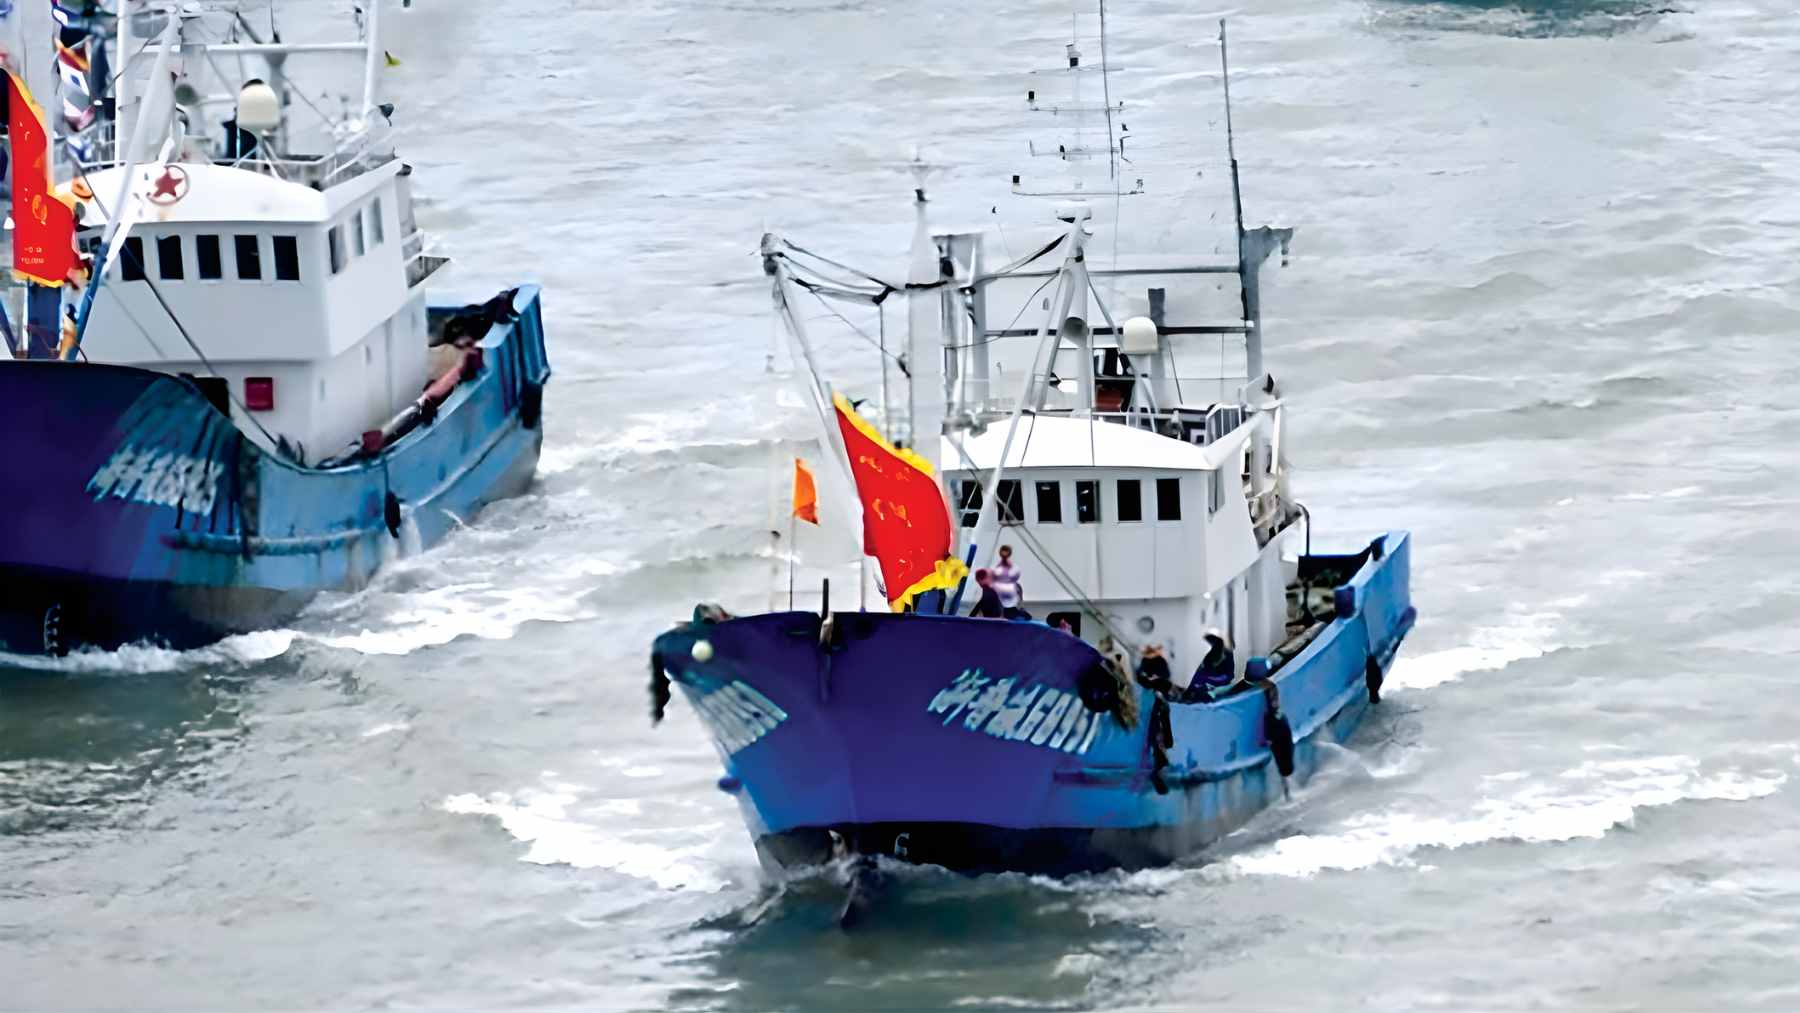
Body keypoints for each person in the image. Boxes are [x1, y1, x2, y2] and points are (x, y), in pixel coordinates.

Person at [1187, 629, 1236, 701]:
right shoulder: (1211, 654)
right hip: (1210, 679)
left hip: (1222, 679)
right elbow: (1203, 669)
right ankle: (1192, 693)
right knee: (1198, 679)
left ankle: (1204, 693)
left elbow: (1229, 674)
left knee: (1202, 681)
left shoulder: (1227, 654)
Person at [992, 545, 1025, 618]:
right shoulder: (997, 567)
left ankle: (1019, 610)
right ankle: (1001, 614)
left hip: (1010, 598)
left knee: (1018, 588)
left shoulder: (1013, 567)